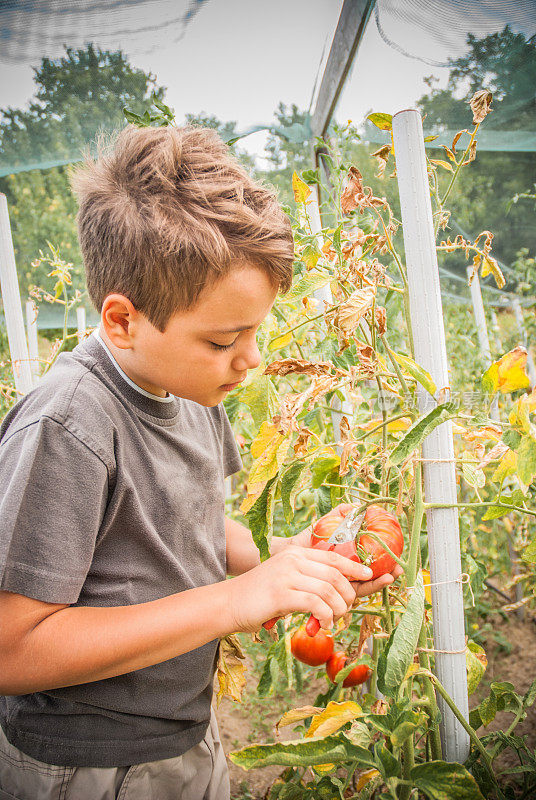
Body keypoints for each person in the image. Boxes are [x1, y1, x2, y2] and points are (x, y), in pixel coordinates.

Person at [0, 124, 401, 800]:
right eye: (222, 340)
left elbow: (196, 522)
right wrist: (235, 601)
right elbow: (14, 649)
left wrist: (278, 557)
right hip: (88, 764)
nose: (249, 359)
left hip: (184, 731)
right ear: (122, 320)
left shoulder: (187, 389)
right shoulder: (70, 425)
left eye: (254, 333)